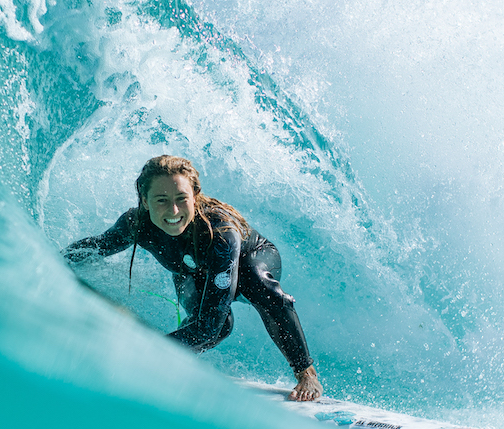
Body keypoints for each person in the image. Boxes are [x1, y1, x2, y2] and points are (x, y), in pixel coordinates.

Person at [63, 155, 323, 402]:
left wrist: (145, 354)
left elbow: (208, 324)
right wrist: (55, 260)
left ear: (195, 196)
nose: (173, 210)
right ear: (144, 200)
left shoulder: (221, 232)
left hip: (250, 257)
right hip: (195, 271)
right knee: (219, 326)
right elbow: (95, 247)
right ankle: (172, 363)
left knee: (255, 285)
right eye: (161, 200)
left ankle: (306, 373)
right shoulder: (136, 223)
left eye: (181, 198)